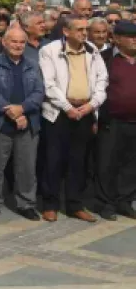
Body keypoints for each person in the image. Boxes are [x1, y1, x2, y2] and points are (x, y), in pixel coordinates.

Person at [38, 17, 107, 223]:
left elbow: (102, 80)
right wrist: (68, 108)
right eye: (79, 29)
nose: (84, 33)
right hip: (59, 114)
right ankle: (50, 204)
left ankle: (75, 205)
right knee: (53, 160)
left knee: (79, 161)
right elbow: (48, 84)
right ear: (66, 32)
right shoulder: (49, 50)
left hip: (85, 111)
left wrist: (92, 105)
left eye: (86, 29)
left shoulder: (92, 50)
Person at [0, 27, 45, 220]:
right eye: (14, 41)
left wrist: (23, 109)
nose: (18, 45)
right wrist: (11, 111)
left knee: (26, 167)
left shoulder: (33, 65)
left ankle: (26, 204)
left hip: (28, 122)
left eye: (22, 42)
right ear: (4, 42)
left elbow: (39, 92)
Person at [96, 21, 136, 220]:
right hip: (112, 121)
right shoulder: (104, 59)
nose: (134, 40)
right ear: (117, 39)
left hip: (134, 122)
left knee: (131, 165)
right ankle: (107, 203)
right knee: (107, 163)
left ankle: (125, 201)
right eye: (130, 36)